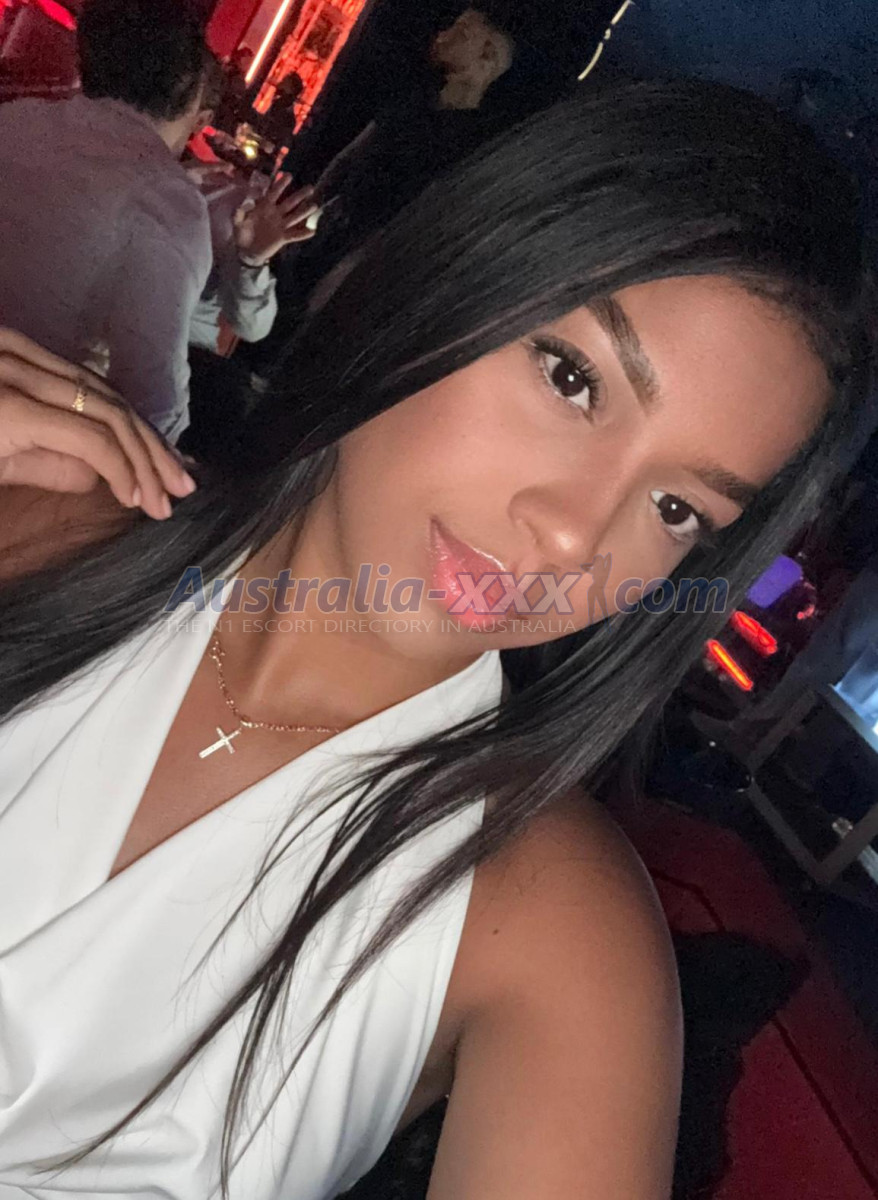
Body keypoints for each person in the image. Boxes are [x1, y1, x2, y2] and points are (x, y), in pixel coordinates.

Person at [0, 77, 873, 1199]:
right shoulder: (41, 515)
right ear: (444, 276)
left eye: (675, 509)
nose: (572, 533)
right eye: (571, 379)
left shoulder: (551, 930)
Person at [0, 0, 213, 441]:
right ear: (192, 93)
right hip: (24, 431)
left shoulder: (13, 119)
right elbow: (153, 406)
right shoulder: (168, 200)